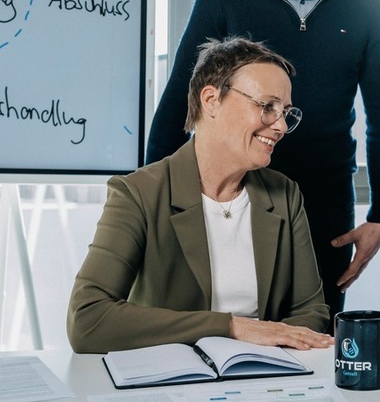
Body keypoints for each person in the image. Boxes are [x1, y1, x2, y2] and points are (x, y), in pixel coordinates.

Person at [144, 0, 380, 330]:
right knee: (222, 337)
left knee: (312, 346)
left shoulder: (370, 4)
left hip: (323, 208)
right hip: (225, 199)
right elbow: (180, 101)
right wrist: (149, 201)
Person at [67, 37, 333, 353]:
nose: (280, 125)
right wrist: (231, 327)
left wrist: (261, 359)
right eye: (267, 107)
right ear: (211, 100)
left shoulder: (285, 194)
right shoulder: (137, 193)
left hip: (263, 379)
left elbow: (311, 310)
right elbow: (88, 320)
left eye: (286, 111)